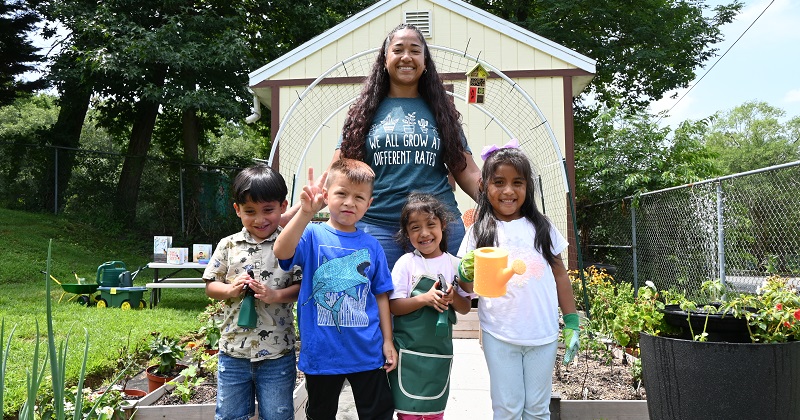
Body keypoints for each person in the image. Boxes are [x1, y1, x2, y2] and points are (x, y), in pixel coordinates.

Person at [334, 23, 482, 269]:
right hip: (377, 228)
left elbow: (466, 170)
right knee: (381, 304)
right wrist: (299, 211)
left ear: (425, 61)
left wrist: (501, 199)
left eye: (415, 50)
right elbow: (339, 171)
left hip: (438, 226)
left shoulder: (441, 110)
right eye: (398, 49)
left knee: (441, 303)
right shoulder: (363, 113)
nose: (406, 57)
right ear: (385, 58)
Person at [457, 143, 579, 420]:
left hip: (543, 334)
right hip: (499, 334)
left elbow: (560, 274)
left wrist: (571, 321)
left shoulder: (542, 227)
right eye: (499, 182)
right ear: (485, 186)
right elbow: (465, 287)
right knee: (507, 410)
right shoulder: (479, 231)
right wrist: (464, 274)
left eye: (517, 183)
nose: (508, 191)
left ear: (528, 188)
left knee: (537, 410)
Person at [273, 158, 397, 420]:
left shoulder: (372, 246)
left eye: (359, 197)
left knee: (379, 413)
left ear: (369, 203)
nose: (350, 202)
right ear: (327, 196)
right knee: (320, 413)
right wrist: (305, 213)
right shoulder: (311, 234)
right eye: (341, 193)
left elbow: (381, 295)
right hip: (322, 354)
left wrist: (387, 341)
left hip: (367, 351)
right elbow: (281, 251)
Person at [202, 164, 302, 420]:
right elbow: (211, 286)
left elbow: (302, 287)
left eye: (268, 210)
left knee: (278, 415)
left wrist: (275, 295)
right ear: (237, 210)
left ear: (283, 205)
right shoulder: (228, 245)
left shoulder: (290, 244)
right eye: (250, 211)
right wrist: (230, 289)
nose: (260, 219)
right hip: (233, 352)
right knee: (229, 416)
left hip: (277, 352)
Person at [388, 192, 473, 419]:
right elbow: (394, 306)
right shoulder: (406, 263)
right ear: (407, 233)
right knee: (408, 413)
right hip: (408, 353)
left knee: (435, 412)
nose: (424, 233)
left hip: (439, 355)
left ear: (443, 225)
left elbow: (465, 307)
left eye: (431, 225)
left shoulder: (455, 265)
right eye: (415, 227)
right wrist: (424, 299)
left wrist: (454, 298)